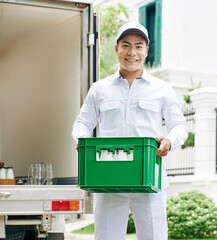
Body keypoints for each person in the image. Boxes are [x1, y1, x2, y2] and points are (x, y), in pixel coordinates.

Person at [72, 22, 188, 240]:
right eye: (126, 45)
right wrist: (83, 139)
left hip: (150, 178)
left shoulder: (162, 89)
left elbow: (179, 125)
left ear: (146, 50)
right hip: (108, 180)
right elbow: (82, 124)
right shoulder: (100, 89)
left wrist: (169, 142)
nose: (132, 52)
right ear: (117, 49)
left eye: (138, 46)